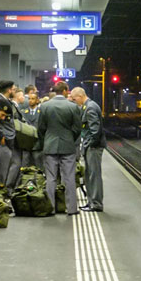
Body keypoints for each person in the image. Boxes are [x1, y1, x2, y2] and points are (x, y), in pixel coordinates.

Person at [39, 81, 83, 215]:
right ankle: (71, 208)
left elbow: (41, 128)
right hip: (67, 146)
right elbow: (77, 128)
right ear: (65, 91)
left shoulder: (45, 106)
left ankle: (50, 208)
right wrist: (70, 138)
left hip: (50, 145)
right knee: (69, 177)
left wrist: (45, 142)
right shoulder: (73, 107)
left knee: (50, 178)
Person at [71, 87, 105, 213]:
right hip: (90, 146)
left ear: (80, 96)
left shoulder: (90, 108)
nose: (75, 102)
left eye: (75, 99)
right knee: (89, 174)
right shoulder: (88, 106)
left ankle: (96, 204)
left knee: (94, 175)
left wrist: (90, 144)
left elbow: (95, 130)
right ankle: (91, 202)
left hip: (93, 147)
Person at [0, 80, 24, 188]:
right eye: (13, 89)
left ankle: (6, 192)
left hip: (10, 140)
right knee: (1, 170)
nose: (14, 91)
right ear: (9, 90)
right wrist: (1, 136)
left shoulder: (6, 101)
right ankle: (0, 195)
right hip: (2, 142)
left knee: (12, 167)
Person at [23, 91, 44, 168]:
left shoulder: (41, 112)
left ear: (37, 100)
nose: (30, 100)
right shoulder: (23, 112)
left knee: (39, 166)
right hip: (26, 144)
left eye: (33, 99)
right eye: (29, 99)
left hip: (37, 144)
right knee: (25, 167)